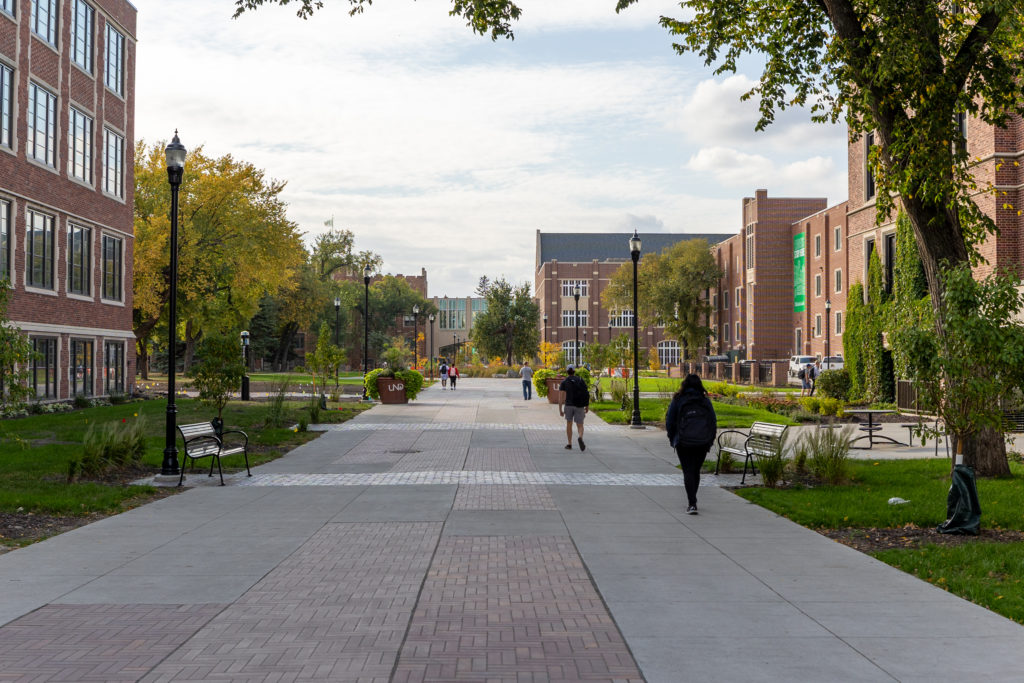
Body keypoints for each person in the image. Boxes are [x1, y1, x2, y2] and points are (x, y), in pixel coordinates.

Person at [665, 374, 717, 515]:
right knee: (695, 471)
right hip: (702, 441)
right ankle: (693, 500)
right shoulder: (705, 401)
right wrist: (710, 440)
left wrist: (672, 438)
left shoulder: (678, 400)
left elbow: (669, 421)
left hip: (683, 441)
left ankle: (692, 503)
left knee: (688, 471)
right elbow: (713, 422)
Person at [558, 366, 589, 450]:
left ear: (567, 371)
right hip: (579, 405)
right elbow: (586, 393)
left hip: (569, 405)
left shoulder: (564, 382)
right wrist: (587, 406)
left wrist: (560, 409)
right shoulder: (580, 380)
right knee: (580, 424)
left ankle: (569, 444)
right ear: (574, 371)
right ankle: (580, 437)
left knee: (569, 424)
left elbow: (561, 398)